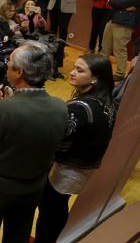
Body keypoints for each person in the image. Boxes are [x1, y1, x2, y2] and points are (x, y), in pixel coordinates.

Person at [0, 41, 67, 243]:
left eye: (9, 62)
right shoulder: (61, 106)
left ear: (19, 72)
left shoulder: (4, 110)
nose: (6, 65)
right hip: (33, 188)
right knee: (18, 235)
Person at [34, 54, 116, 242]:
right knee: (57, 207)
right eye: (74, 67)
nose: (72, 73)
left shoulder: (81, 107)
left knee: (50, 211)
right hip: (84, 167)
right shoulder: (105, 100)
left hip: (68, 169)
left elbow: (58, 139)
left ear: (95, 78)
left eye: (80, 70)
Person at [101, 0, 140, 81]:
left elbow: (121, 2)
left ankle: (120, 74)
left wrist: (114, 1)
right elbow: (117, 2)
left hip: (124, 24)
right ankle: (101, 69)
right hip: (113, 20)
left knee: (119, 50)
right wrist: (115, 2)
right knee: (105, 48)